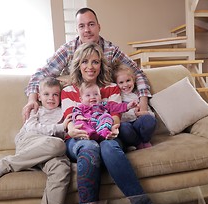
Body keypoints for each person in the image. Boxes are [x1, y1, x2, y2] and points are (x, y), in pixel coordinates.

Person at [62, 42, 155, 204]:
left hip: (107, 133)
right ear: (78, 64)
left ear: (101, 64)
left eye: (95, 61)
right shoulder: (69, 90)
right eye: (85, 61)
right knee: (89, 148)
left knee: (109, 148)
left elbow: (115, 115)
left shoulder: (112, 88)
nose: (90, 66)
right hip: (78, 138)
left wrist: (112, 127)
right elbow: (70, 119)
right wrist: (71, 128)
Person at [22, 7, 151, 122]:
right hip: (78, 108)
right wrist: (32, 99)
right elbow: (41, 74)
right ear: (77, 29)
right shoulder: (68, 50)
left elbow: (137, 73)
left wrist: (143, 103)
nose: (87, 30)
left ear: (99, 26)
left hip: (107, 106)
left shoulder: (111, 50)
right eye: (82, 26)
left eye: (91, 24)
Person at [0, 77, 71, 204]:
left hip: (48, 152)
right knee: (58, 145)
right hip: (30, 142)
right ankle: (6, 164)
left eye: (55, 94)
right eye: (46, 94)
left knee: (62, 168)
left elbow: (66, 133)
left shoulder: (63, 112)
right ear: (39, 97)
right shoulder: (36, 110)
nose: (51, 98)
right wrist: (60, 127)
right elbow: (32, 127)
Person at [112, 61, 157, 150]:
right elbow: (115, 114)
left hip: (138, 124)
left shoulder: (137, 95)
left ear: (133, 80)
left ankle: (145, 140)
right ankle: (138, 143)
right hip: (127, 127)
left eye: (128, 80)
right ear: (116, 84)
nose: (125, 85)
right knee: (123, 128)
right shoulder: (117, 96)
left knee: (150, 119)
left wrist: (143, 113)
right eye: (121, 82)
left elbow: (150, 114)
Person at [73, 82, 137, 141]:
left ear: (100, 96)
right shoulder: (81, 107)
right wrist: (79, 116)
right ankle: (89, 135)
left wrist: (127, 106)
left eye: (96, 94)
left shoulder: (103, 105)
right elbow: (75, 112)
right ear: (81, 99)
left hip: (100, 124)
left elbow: (115, 107)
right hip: (87, 124)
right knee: (80, 123)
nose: (92, 97)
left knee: (107, 116)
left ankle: (104, 133)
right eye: (88, 95)